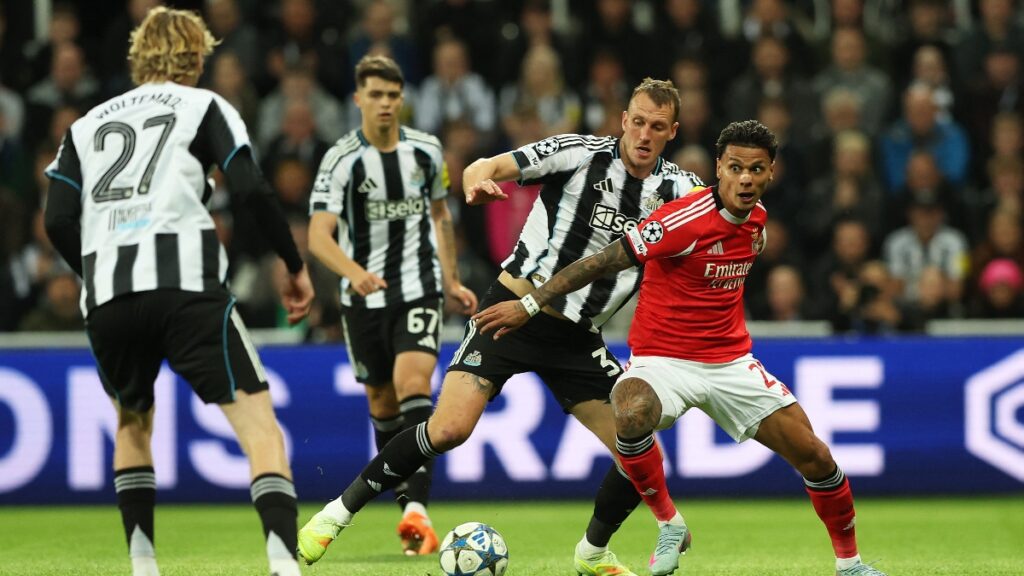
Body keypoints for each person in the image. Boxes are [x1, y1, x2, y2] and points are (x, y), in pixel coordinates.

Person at [297, 78, 704, 575]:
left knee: (636, 451)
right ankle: (334, 516)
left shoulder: (682, 191)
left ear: (672, 132)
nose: (643, 134)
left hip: (577, 337)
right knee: (448, 429)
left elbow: (725, 222)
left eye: (657, 127)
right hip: (510, 311)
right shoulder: (578, 153)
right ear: (623, 120)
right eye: (637, 122)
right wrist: (476, 181)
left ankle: (592, 553)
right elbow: (486, 165)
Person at [473, 120, 889, 576]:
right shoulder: (681, 219)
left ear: (771, 173)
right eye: (735, 167)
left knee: (816, 456)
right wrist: (530, 303)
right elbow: (600, 262)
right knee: (629, 409)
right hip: (662, 361)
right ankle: (669, 523)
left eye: (756, 169)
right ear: (719, 168)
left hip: (730, 363)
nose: (745, 179)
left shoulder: (757, 222)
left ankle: (850, 565)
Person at [42, 8, 314, 576]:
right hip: (186, 284)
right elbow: (251, 189)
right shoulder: (204, 106)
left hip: (109, 297)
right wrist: (293, 263)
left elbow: (57, 219)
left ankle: (144, 566)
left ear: (138, 56)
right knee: (260, 426)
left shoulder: (84, 126)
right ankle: (283, 565)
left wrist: (97, 269)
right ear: (196, 58)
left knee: (132, 422)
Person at [305, 54, 478, 555]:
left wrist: (450, 278)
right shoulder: (341, 159)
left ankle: (418, 509)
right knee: (382, 404)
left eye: (393, 95)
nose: (385, 104)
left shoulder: (426, 151)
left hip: (418, 288)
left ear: (402, 100)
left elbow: (441, 215)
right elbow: (318, 236)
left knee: (413, 384)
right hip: (362, 299)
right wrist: (353, 272)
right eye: (376, 95)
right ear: (358, 99)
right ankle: (408, 509)